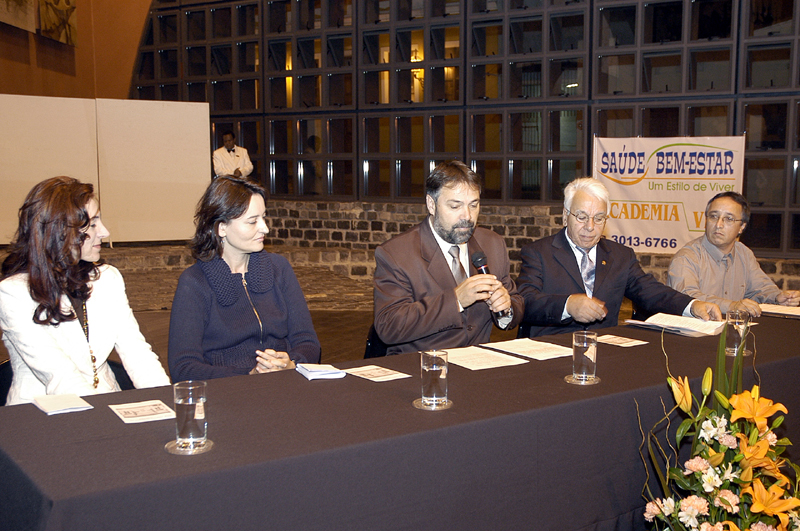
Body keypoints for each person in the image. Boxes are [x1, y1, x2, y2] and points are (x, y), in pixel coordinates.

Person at [0, 176, 170, 406]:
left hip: (107, 406)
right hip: (41, 418)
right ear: (58, 231)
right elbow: (60, 377)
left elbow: (137, 354)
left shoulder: (107, 278)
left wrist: (170, 406)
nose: (105, 232)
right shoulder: (13, 293)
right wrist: (106, 423)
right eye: (92, 224)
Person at [516, 177, 722, 338]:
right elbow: (526, 301)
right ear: (565, 215)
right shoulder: (538, 253)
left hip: (605, 350)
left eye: (599, 219)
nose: (590, 227)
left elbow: (651, 292)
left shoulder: (620, 256)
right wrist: (568, 305)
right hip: (553, 350)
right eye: (582, 217)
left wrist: (693, 306)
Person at [168, 176, 320, 381]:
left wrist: (292, 362)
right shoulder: (194, 282)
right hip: (230, 394)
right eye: (252, 221)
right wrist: (248, 375)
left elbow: (308, 342)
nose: (265, 228)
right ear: (221, 227)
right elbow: (183, 368)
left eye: (264, 217)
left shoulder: (278, 268)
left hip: (286, 384)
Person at [373, 160, 524, 356]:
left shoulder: (492, 243)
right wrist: (456, 300)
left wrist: (506, 309)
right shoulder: (396, 254)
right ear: (431, 204)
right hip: (422, 367)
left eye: (474, 205)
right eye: (455, 206)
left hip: (480, 365)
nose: (467, 216)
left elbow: (515, 300)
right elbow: (389, 327)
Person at [668, 191, 800, 317]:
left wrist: (777, 298)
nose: (718, 225)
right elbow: (688, 297)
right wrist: (732, 306)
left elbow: (760, 288)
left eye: (728, 219)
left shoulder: (744, 253)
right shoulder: (686, 257)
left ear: (742, 226)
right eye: (713, 216)